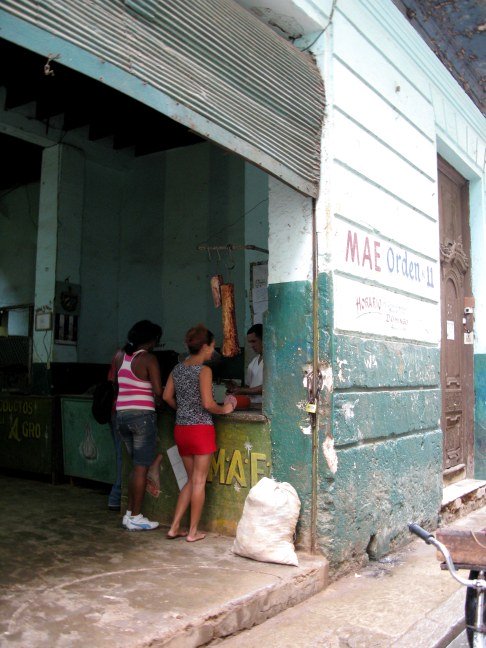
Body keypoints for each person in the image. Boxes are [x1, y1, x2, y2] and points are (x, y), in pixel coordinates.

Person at [163, 324, 236, 542]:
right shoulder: (204, 371)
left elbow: (167, 396)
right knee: (198, 481)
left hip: (182, 429)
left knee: (190, 480)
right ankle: (193, 532)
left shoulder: (178, 369)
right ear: (205, 347)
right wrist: (226, 408)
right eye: (213, 346)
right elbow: (208, 403)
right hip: (201, 430)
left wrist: (184, 410)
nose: (214, 351)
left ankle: (175, 527)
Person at [115, 320, 163, 531]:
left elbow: (118, 386)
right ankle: (136, 516)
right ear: (151, 341)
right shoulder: (149, 359)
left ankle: (128, 513)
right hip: (142, 417)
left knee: (136, 466)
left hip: (122, 416)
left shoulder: (119, 357)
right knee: (141, 467)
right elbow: (158, 393)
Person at [227, 323, 263, 404]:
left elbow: (268, 388)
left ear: (264, 339)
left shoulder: (273, 362)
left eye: (254, 341)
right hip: (253, 406)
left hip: (265, 407)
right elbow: (248, 387)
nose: (251, 345)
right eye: (250, 342)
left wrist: (242, 390)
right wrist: (235, 389)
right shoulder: (253, 362)